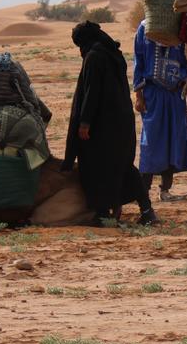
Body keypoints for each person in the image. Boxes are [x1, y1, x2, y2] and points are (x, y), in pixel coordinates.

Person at [63, 20, 157, 226]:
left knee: (96, 167)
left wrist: (85, 122)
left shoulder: (94, 57)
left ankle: (103, 214)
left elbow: (91, 92)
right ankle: (147, 210)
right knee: (122, 167)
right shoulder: (113, 54)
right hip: (121, 122)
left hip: (101, 125)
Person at [132, 22, 187, 201]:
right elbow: (139, 59)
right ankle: (143, 192)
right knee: (152, 140)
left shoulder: (181, 29)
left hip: (176, 94)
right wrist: (138, 95)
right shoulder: (145, 28)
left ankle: (165, 190)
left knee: (173, 140)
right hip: (153, 93)